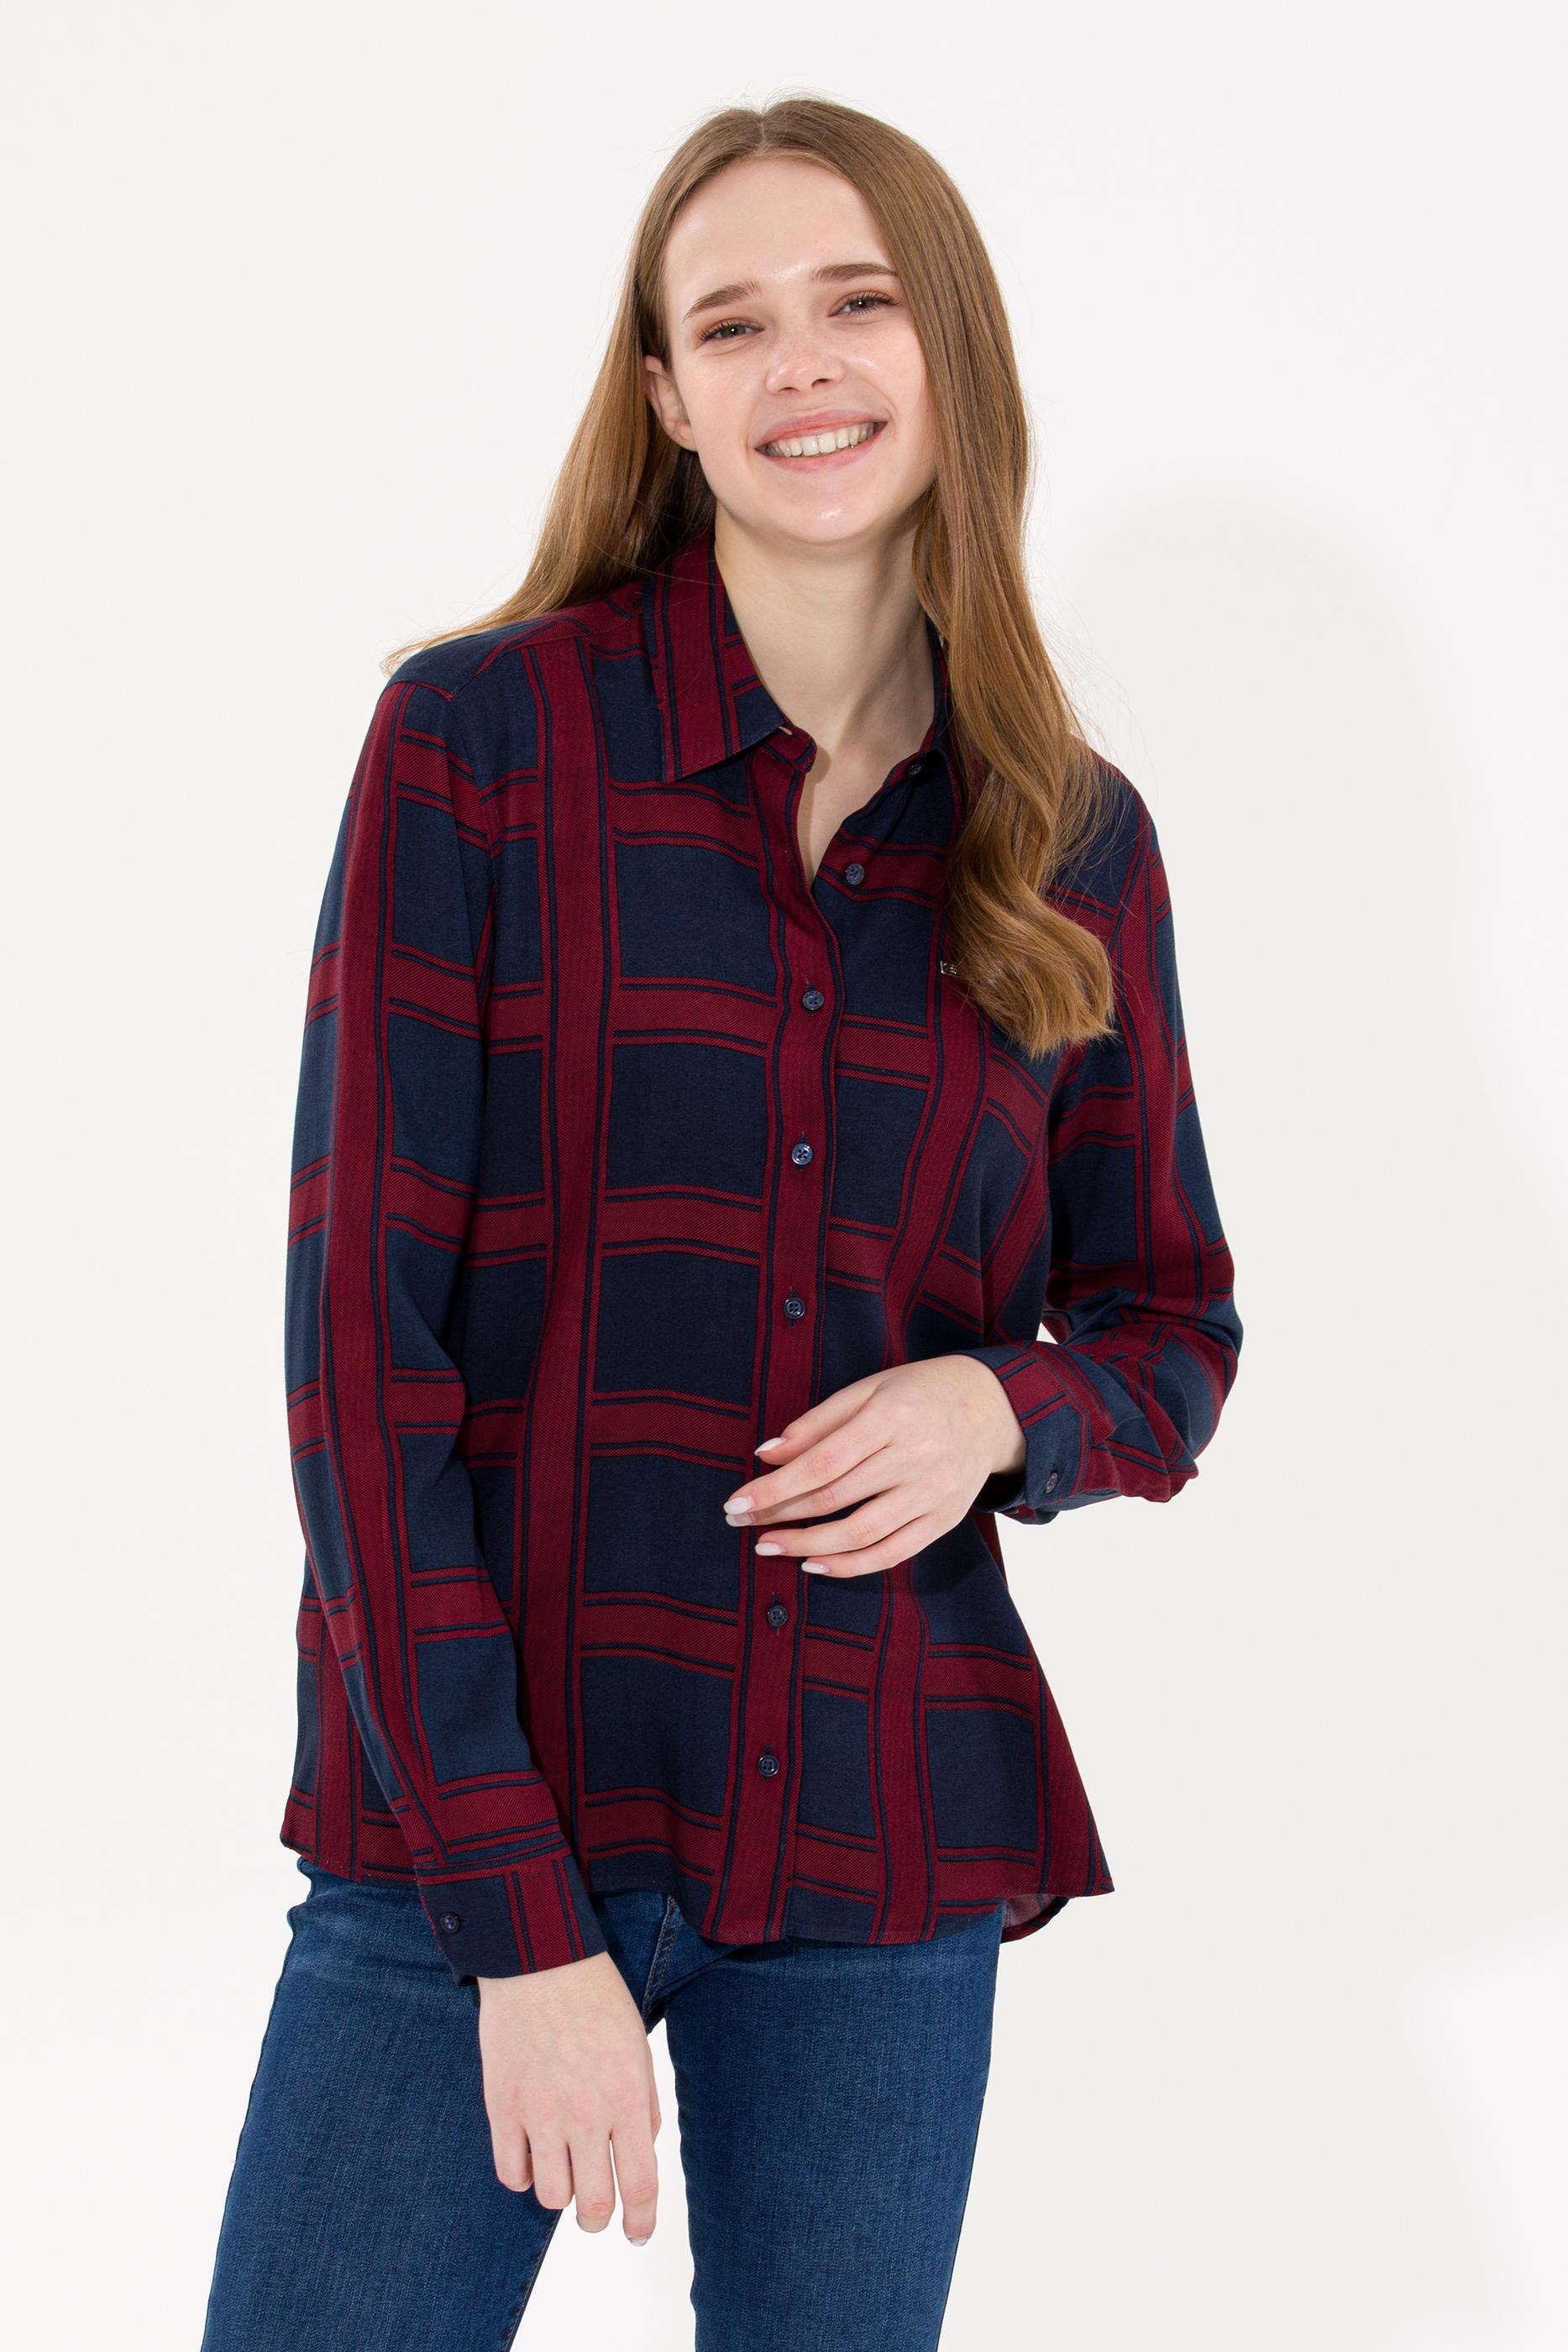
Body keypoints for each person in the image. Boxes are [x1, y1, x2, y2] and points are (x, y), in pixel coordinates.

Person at [200, 92, 1242, 2352]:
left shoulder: (1074, 839)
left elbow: (1172, 1326)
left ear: (948, 351)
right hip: (471, 1832)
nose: (805, 366)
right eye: (736, 324)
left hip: (879, 1831)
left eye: (858, 302)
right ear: (667, 397)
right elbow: (359, 1363)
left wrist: (1001, 1407)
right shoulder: (481, 747)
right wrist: (519, 1924)